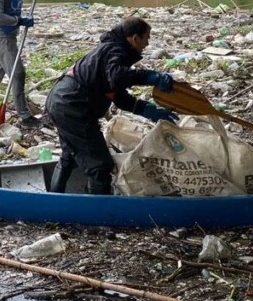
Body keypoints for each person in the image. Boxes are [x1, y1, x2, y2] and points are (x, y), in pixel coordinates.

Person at [45, 16, 178, 195]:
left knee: (70, 155)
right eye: (147, 37)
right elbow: (118, 77)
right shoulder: (115, 51)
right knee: (100, 166)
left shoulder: (112, 51)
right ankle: (98, 217)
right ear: (134, 38)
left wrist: (149, 110)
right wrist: (150, 77)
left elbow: (118, 95)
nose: (147, 43)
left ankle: (55, 200)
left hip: (62, 102)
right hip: (71, 105)